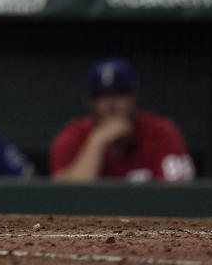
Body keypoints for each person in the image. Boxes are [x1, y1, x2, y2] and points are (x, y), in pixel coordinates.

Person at [50, 58, 196, 182]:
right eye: (102, 97)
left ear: (134, 98)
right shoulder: (73, 135)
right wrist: (97, 141)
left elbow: (182, 191)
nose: (112, 105)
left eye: (119, 95)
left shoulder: (160, 132)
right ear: (90, 103)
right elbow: (66, 200)